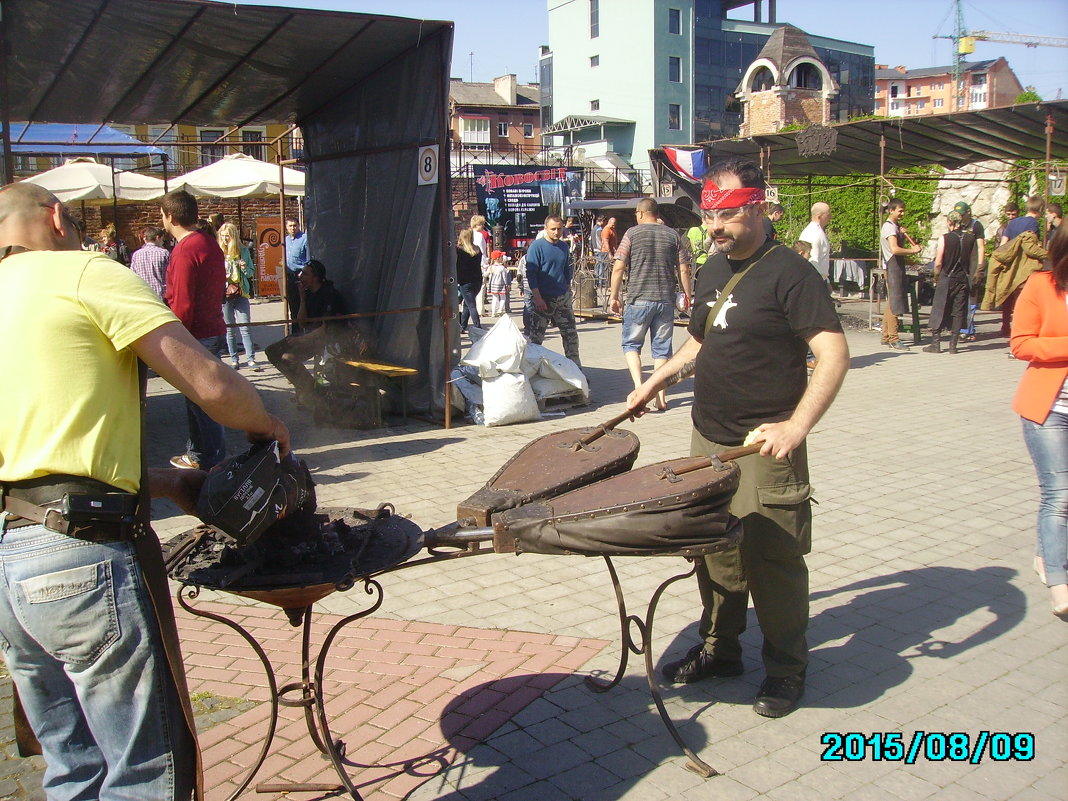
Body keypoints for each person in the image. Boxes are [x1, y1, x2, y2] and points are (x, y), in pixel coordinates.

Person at [0, 181, 290, 801]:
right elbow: (206, 380)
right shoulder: (82, 271)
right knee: (143, 775)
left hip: (10, 566)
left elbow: (41, 454)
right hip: (81, 562)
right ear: (57, 218)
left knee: (71, 769)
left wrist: (167, 483)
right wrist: (265, 422)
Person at [627, 157, 848, 718]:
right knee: (714, 555)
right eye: (708, 217)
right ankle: (722, 650)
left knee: (773, 559)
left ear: (754, 206)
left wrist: (796, 426)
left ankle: (786, 669)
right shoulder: (712, 269)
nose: (713, 228)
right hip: (709, 438)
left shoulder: (792, 274)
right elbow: (699, 345)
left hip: (764, 445)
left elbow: (833, 353)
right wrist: (652, 381)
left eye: (723, 215)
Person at [1010, 224, 1068, 618]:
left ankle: (1046, 554)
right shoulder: (1041, 285)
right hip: (1050, 409)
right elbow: (1021, 343)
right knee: (1060, 494)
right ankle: (1060, 580)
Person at [161, 189, 228, 471]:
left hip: (196, 332)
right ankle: (201, 453)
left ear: (170, 216)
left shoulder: (186, 249)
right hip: (211, 327)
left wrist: (177, 338)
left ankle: (208, 457)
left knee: (201, 399)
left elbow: (183, 302)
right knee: (202, 398)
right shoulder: (208, 243)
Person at [608, 198, 692, 411]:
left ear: (640, 213)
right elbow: (684, 268)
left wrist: (614, 296)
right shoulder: (673, 235)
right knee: (662, 350)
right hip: (665, 300)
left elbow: (618, 268)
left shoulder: (632, 234)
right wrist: (687, 294)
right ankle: (660, 397)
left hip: (638, 299)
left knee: (631, 345)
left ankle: (639, 389)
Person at [265, 259, 371, 408]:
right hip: (311, 335)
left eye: (306, 274)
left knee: (289, 358)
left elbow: (327, 328)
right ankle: (307, 388)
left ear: (316, 277)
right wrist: (302, 298)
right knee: (272, 351)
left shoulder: (329, 294)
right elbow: (302, 323)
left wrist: (302, 340)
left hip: (330, 340)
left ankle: (313, 391)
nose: (301, 277)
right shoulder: (308, 293)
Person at [524, 215, 581, 367]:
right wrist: (537, 298)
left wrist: (568, 289)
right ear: (546, 229)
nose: (557, 232)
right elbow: (531, 273)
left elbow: (566, 269)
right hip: (543, 298)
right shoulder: (537, 246)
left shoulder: (563, 247)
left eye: (559, 229)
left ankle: (575, 369)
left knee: (571, 336)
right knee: (536, 338)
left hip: (562, 298)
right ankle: (531, 368)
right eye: (553, 229)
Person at [924, 210, 977, 354]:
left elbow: (939, 262)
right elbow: (973, 261)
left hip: (947, 277)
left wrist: (936, 276)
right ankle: (953, 345)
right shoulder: (970, 238)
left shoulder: (945, 238)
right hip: (963, 278)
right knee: (958, 311)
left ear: (950, 223)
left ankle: (936, 344)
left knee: (939, 309)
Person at [880, 199, 922, 351]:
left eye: (903, 211)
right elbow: (895, 249)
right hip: (892, 268)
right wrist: (913, 251)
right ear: (891, 210)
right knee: (895, 304)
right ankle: (894, 338)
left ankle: (885, 336)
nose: (902, 213)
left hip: (896, 267)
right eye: (900, 211)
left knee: (891, 302)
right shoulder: (889, 228)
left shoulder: (895, 227)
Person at [218, 222, 258, 370]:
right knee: (230, 329)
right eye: (222, 236)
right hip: (225, 294)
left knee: (245, 326)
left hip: (241, 292)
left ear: (234, 236)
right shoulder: (218, 252)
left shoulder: (243, 251)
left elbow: (250, 273)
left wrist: (244, 267)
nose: (225, 239)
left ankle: (251, 359)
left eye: (227, 236)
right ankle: (234, 359)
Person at [129, 224, 170, 299]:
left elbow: (133, 276)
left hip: (143, 295)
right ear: (157, 238)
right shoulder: (164, 253)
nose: (163, 242)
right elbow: (168, 276)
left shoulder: (136, 254)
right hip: (160, 295)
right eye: (162, 239)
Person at [455, 228, 483, 333]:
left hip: (465, 281)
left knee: (471, 305)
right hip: (477, 280)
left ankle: (478, 326)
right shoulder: (477, 249)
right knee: (467, 303)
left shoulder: (459, 250)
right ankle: (463, 326)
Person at [798, 202, 831, 283]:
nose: (830, 217)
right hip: (815, 281)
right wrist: (819, 284)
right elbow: (812, 260)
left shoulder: (817, 231)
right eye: (828, 214)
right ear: (819, 216)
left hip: (820, 279)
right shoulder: (813, 233)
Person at [283, 217, 310, 319]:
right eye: (290, 226)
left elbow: (309, 259)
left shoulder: (304, 238)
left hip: (301, 275)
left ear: (298, 226)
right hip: (290, 276)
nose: (293, 228)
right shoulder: (285, 240)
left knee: (302, 305)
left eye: (295, 225)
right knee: (293, 306)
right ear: (286, 227)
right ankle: (295, 332)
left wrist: (304, 272)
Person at [487, 250, 510, 317]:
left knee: (494, 298)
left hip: (493, 285)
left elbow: (485, 274)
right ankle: (500, 309)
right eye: (501, 257)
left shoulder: (491, 267)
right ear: (498, 258)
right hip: (501, 285)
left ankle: (493, 313)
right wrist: (506, 285)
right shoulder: (502, 268)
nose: (502, 258)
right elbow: (504, 277)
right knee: (503, 297)